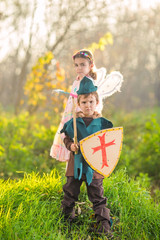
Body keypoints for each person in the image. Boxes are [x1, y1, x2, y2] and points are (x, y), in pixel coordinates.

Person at [60, 76, 113, 236]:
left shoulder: (102, 123)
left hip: (94, 166)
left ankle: (104, 228)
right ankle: (66, 223)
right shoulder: (73, 122)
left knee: (98, 197)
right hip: (76, 164)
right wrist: (71, 146)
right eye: (84, 102)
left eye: (91, 102)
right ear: (79, 104)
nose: (88, 105)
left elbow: (109, 142)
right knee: (70, 193)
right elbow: (66, 138)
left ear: (96, 102)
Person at [50, 49, 104, 162]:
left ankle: (82, 174)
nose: (79, 68)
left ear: (91, 65)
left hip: (83, 119)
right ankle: (71, 173)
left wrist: (85, 115)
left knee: (81, 147)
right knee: (71, 144)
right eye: (76, 65)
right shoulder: (77, 81)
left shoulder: (90, 83)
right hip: (71, 117)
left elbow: (94, 102)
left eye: (83, 65)